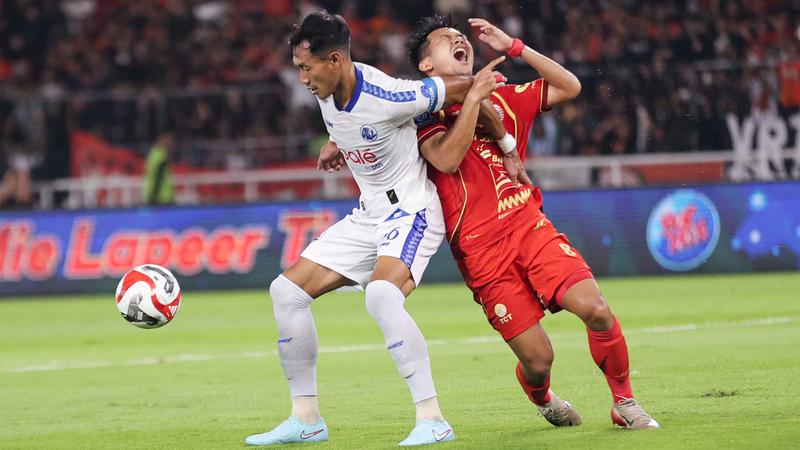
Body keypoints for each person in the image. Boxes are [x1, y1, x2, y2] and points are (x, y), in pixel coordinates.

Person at [246, 11, 513, 446]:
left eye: (305, 67)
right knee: (286, 292)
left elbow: (464, 89)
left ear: (335, 61)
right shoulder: (327, 89)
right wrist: (339, 142)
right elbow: (355, 123)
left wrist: (505, 141)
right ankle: (306, 419)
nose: (302, 79)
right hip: (368, 215)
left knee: (382, 295)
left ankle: (432, 419)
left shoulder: (389, 94)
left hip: (410, 211)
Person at [407, 16, 660, 430]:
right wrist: (474, 101)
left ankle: (624, 402)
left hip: (528, 226)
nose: (458, 40)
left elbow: (570, 87)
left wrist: (515, 47)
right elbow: (447, 159)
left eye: (460, 37)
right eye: (444, 39)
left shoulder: (505, 97)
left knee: (596, 309)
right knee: (539, 360)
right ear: (426, 66)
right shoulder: (420, 114)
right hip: (481, 252)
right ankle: (541, 395)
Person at [143, 132, 174, 205]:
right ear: (162, 139)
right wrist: (153, 196)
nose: (171, 144)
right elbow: (158, 177)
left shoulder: (152, 154)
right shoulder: (161, 156)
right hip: (161, 197)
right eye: (169, 140)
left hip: (155, 195)